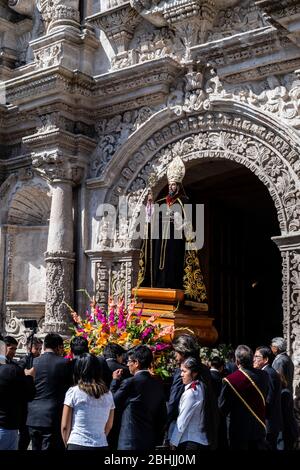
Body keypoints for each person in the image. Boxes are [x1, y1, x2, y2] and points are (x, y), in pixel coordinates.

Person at [137, 156, 207, 305]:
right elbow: (149, 219)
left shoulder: (184, 202)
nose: (171, 188)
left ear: (179, 186)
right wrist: (149, 206)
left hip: (175, 240)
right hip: (159, 237)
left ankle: (172, 284)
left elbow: (189, 227)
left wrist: (180, 222)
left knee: (172, 260)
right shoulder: (160, 202)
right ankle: (155, 284)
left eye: (174, 185)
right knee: (157, 260)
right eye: (170, 185)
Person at [167, 334, 219, 449]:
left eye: (176, 352)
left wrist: (165, 424)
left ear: (183, 352)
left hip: (184, 432)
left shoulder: (184, 372)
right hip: (205, 429)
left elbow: (174, 401)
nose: (175, 356)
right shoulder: (205, 369)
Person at [110, 345, 167, 450]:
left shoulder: (130, 382)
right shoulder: (157, 384)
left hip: (129, 440)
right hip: (149, 440)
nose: (127, 364)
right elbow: (162, 415)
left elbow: (112, 401)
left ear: (136, 363)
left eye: (129, 361)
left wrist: (115, 381)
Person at [26, 333, 72, 450]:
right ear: (59, 347)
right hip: (53, 417)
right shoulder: (64, 363)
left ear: (44, 346)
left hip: (33, 416)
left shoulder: (33, 362)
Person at [219, 344, 269, 450]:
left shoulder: (230, 380)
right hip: (258, 428)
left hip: (238, 431)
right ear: (252, 360)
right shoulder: (264, 375)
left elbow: (223, 408)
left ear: (237, 362)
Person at [61, 353, 115, 450]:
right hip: (101, 444)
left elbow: (65, 426)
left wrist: (67, 444)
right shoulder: (108, 394)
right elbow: (109, 425)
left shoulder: (73, 392)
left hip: (77, 443)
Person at [0, 331, 35, 450]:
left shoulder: (13, 366)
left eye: (15, 349)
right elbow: (29, 394)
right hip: (6, 424)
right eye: (11, 348)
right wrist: (29, 377)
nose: (14, 352)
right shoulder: (11, 370)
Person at [169, 357, 211, 450]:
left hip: (190, 441)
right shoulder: (201, 387)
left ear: (194, 373)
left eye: (184, 371)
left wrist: (173, 441)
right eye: (181, 371)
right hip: (198, 440)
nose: (181, 374)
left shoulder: (191, 393)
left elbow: (182, 420)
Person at [253, 346, 282, 450]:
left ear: (266, 359)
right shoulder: (267, 372)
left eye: (257, 357)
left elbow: (269, 399)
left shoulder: (268, 373)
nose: (254, 359)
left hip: (269, 423)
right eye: (254, 356)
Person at [18, 336, 43, 451]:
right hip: (24, 404)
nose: (38, 352)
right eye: (36, 349)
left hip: (35, 403)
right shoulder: (24, 361)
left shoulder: (40, 361)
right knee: (23, 438)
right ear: (29, 348)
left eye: (40, 349)